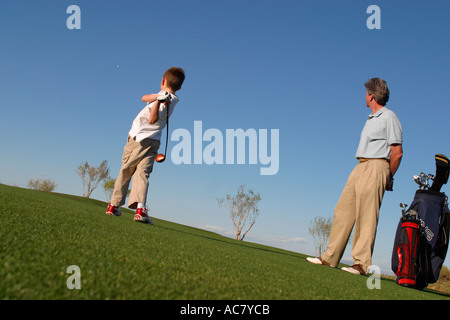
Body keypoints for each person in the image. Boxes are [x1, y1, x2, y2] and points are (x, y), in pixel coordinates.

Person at [306, 78, 403, 275]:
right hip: (360, 165)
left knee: (366, 216)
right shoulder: (371, 118)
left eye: (366, 93)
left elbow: (397, 152)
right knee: (343, 210)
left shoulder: (389, 117)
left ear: (372, 96)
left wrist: (387, 175)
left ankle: (361, 264)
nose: (364, 96)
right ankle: (329, 257)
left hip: (377, 166)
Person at [106, 67, 185, 224]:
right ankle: (140, 210)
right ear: (180, 87)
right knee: (142, 173)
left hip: (138, 138)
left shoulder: (169, 100)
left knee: (127, 169)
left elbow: (152, 119)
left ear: (163, 81)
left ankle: (114, 206)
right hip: (151, 140)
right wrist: (158, 97)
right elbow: (144, 97)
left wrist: (159, 101)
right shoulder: (167, 97)